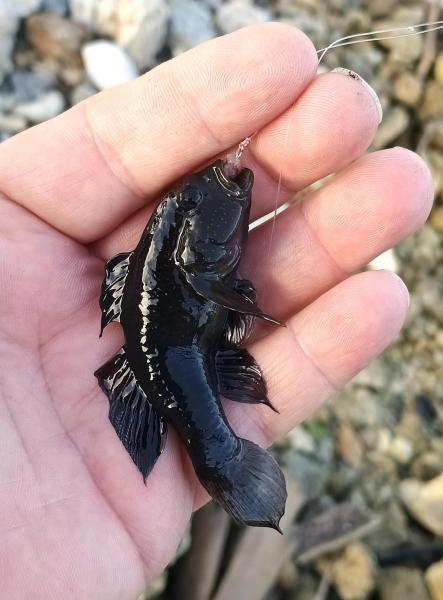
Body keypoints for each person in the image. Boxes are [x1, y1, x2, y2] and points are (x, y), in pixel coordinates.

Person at [0, 23, 433, 599]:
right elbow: (214, 295)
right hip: (175, 361)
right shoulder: (194, 265)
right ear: (193, 250)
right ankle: (220, 460)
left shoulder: (189, 257)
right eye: (202, 199)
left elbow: (200, 287)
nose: (228, 186)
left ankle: (217, 458)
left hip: (170, 353)